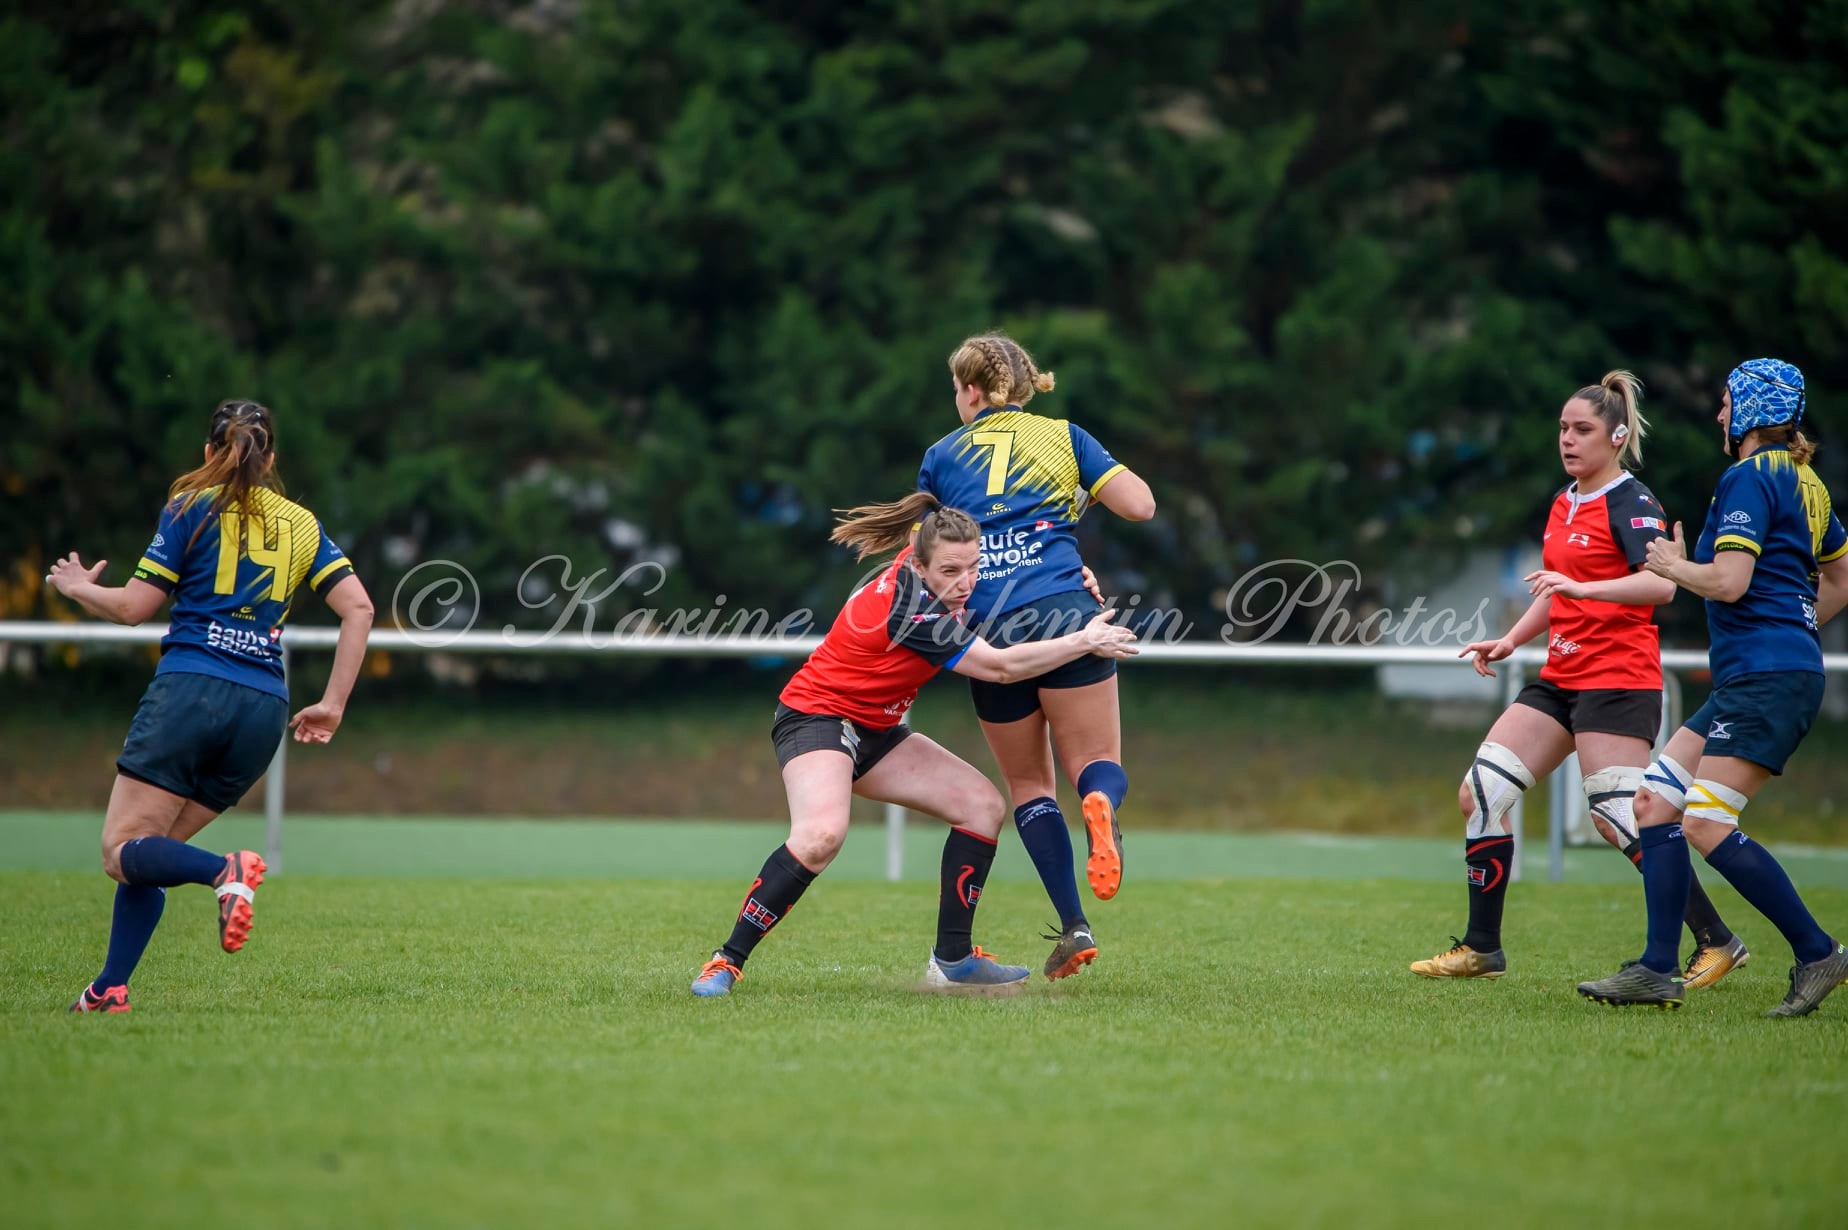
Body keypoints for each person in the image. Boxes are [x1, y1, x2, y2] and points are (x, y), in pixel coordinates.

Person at [689, 498, 1138, 998]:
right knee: (820, 836)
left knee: (982, 806)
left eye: (974, 567)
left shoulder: (946, 574)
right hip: (816, 718)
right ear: (917, 562)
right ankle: (726, 961)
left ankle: (953, 960)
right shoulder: (912, 607)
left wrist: (1074, 574)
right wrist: (1084, 639)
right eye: (950, 570)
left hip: (877, 731)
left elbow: (1025, 568)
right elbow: (1000, 668)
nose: (966, 582)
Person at [1411, 371, 1745, 984]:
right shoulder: (1566, 500)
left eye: (1582, 429)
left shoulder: (1633, 503)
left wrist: (1582, 587)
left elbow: (1662, 584)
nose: (1568, 439)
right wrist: (1512, 639)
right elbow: (1554, 586)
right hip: (1561, 674)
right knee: (1481, 791)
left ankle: (1717, 939)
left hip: (1617, 680)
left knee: (1619, 816)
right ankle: (1483, 948)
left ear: (1617, 437)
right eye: (1563, 428)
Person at [50, 400, 374, 1013]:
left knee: (121, 849)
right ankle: (109, 989)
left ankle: (224, 872)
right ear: (272, 458)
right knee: (146, 855)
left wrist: (77, 588)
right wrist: (331, 704)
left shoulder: (192, 507)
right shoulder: (303, 523)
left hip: (191, 694)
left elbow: (132, 608)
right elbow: (359, 608)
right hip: (262, 709)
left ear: (207, 452)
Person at [1578, 358, 1848, 1014]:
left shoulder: (1750, 477)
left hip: (1765, 677)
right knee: (1653, 808)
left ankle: (1819, 953)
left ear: (1753, 411)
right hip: (1757, 675)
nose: (1720, 414)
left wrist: (1675, 565)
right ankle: (1656, 968)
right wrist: (1795, 629)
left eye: (1727, 403)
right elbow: (1839, 583)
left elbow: (1728, 581)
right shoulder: (1806, 482)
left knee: (1704, 821)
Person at [909, 333, 1155, 981]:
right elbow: (1142, 505)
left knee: (1029, 787)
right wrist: (1075, 500)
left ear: (969, 391)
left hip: (990, 633)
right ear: (1024, 388)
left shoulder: (939, 456)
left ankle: (1075, 924)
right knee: (1095, 766)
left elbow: (929, 553)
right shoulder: (1064, 437)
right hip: (1063, 612)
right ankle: (1099, 805)